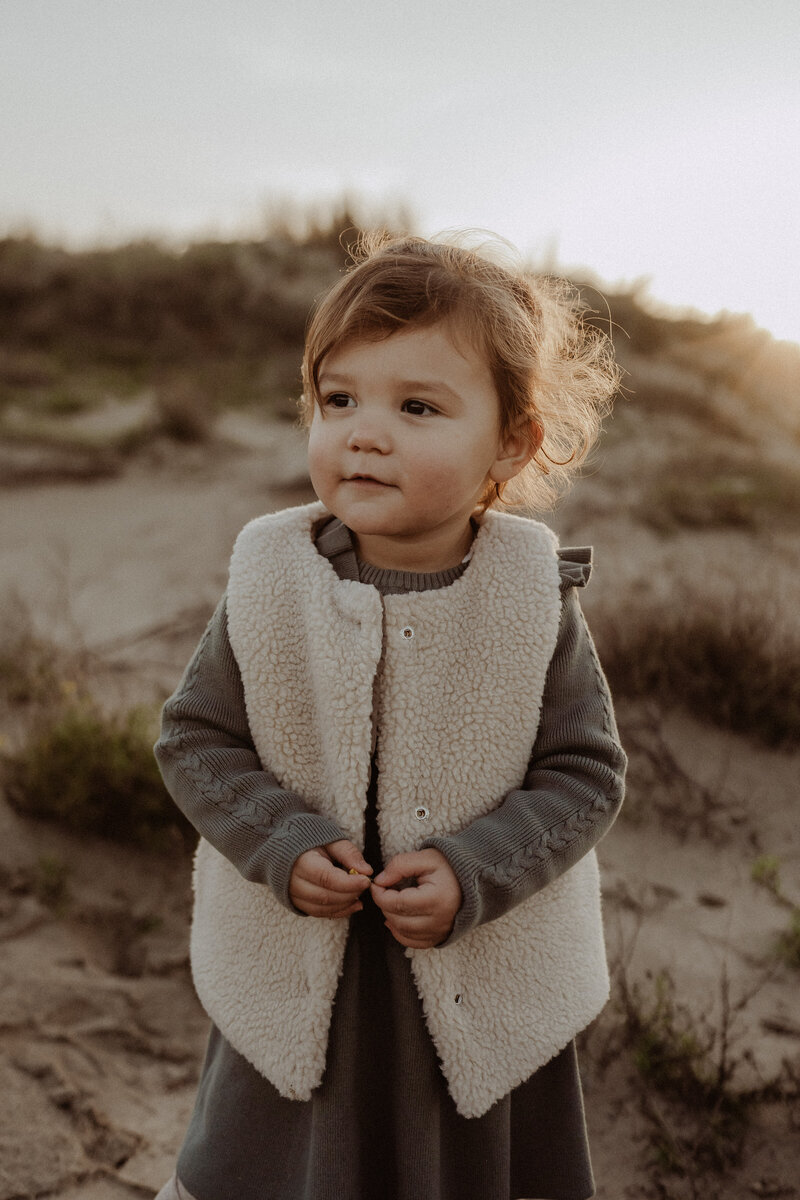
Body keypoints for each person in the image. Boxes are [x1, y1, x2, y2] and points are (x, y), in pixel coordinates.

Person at [153, 233, 626, 1200]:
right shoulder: (270, 576)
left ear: (512, 440)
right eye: (339, 400)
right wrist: (277, 840)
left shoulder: (532, 597)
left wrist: (474, 867)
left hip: (473, 981)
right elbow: (196, 737)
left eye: (417, 407)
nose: (365, 433)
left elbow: (586, 774)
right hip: (301, 978)